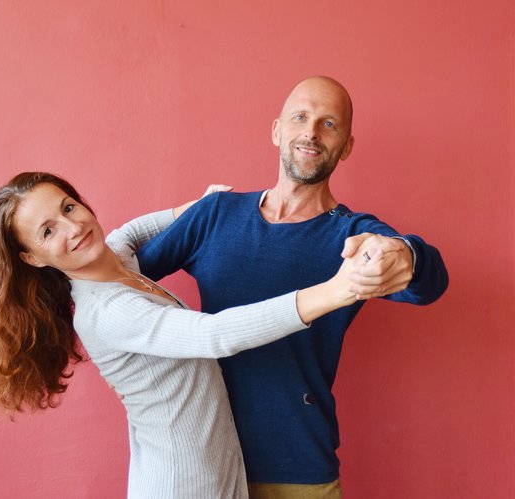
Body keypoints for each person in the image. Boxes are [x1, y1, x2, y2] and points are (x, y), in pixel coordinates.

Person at [0, 172, 387, 499]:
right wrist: (335, 290)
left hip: (216, 466)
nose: (73, 227)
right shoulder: (106, 312)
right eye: (48, 231)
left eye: (69, 207)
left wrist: (199, 206)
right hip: (184, 483)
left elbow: (131, 232)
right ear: (33, 258)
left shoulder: (112, 260)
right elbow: (215, 335)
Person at [134, 76, 449, 498]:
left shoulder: (354, 236)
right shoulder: (216, 213)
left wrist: (407, 255)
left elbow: (429, 284)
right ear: (277, 130)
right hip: (201, 463)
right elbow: (123, 275)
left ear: (346, 146)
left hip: (296, 469)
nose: (311, 132)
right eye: (300, 117)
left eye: (329, 124)